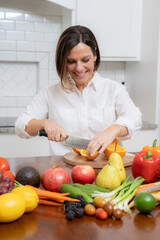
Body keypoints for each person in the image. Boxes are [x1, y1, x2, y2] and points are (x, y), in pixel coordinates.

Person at [15, 25, 142, 157]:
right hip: (63, 170)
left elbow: (135, 118)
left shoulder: (114, 89)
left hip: (108, 169)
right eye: (71, 61)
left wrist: (114, 130)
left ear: (95, 55)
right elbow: (20, 126)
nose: (79, 68)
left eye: (85, 60)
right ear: (63, 61)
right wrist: (44, 123)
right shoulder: (50, 93)